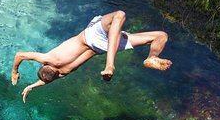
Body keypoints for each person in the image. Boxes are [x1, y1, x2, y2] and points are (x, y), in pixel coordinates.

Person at [11, 10, 172, 102]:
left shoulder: (63, 72)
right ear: (44, 66)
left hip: (104, 47)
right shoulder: (49, 59)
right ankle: (111, 64)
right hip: (93, 37)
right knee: (120, 15)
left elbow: (48, 80)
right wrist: (15, 72)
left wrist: (31, 86)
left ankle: (152, 56)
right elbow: (20, 55)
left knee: (160, 36)